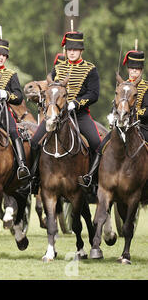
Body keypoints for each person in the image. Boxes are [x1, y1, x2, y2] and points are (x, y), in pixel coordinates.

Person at [29, 31, 101, 194]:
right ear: (66, 51)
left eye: (75, 50)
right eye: (69, 50)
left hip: (80, 115)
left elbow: (93, 94)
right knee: (34, 142)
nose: (72, 52)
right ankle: (34, 178)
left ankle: (92, 179)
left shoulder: (90, 69)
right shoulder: (58, 68)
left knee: (97, 144)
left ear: (81, 51)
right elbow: (50, 90)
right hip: (56, 115)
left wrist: (75, 104)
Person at [78, 49, 147, 188]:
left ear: (141, 70)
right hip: (121, 126)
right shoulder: (121, 86)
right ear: (128, 69)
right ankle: (91, 176)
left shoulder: (146, 87)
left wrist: (134, 114)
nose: (134, 71)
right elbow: (114, 106)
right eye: (132, 68)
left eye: (137, 69)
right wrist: (113, 116)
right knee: (101, 147)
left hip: (142, 126)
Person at [0, 38, 30, 180]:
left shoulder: (11, 74)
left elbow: (19, 97)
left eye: (4, 56)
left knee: (14, 132)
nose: (1, 58)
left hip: (2, 111)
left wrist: (7, 95)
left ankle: (22, 165)